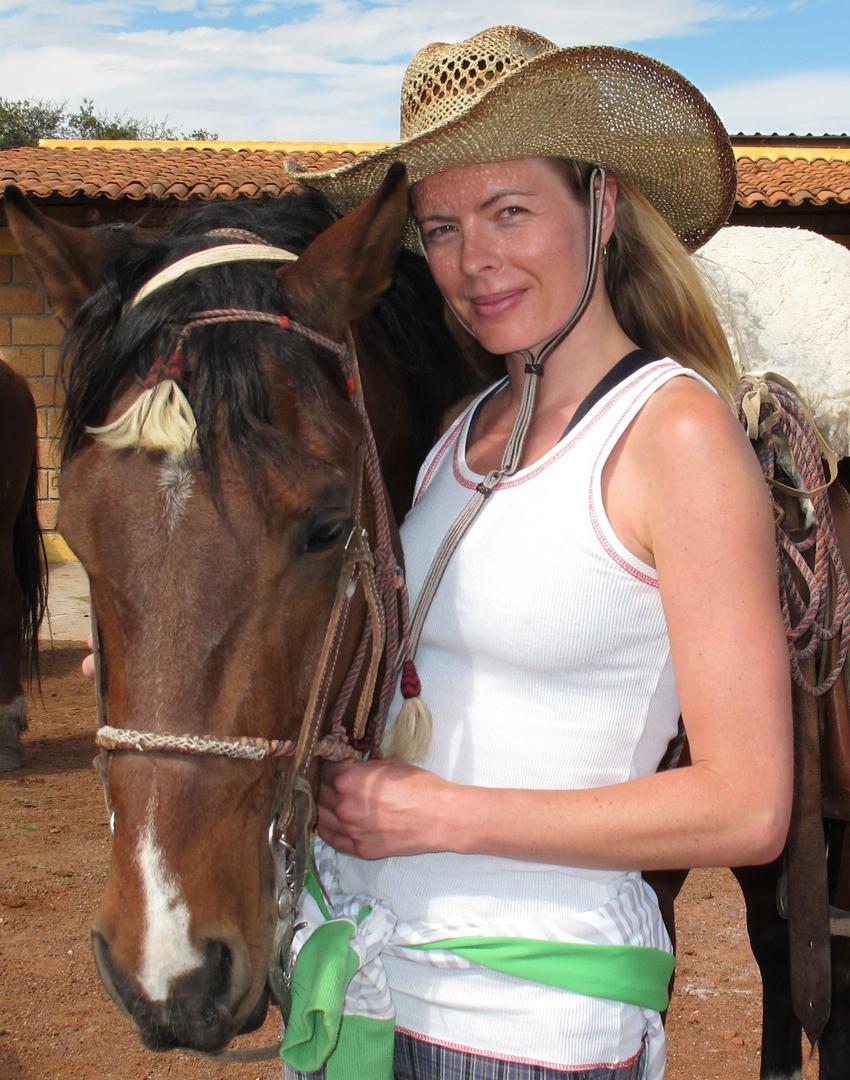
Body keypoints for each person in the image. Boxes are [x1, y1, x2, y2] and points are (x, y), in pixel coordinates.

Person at [282, 24, 794, 1080]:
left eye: (510, 211)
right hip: (366, 993)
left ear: (600, 207)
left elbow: (747, 807)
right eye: (440, 228)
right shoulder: (453, 439)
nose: (473, 261)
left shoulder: (674, 437)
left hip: (528, 1024)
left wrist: (440, 814)